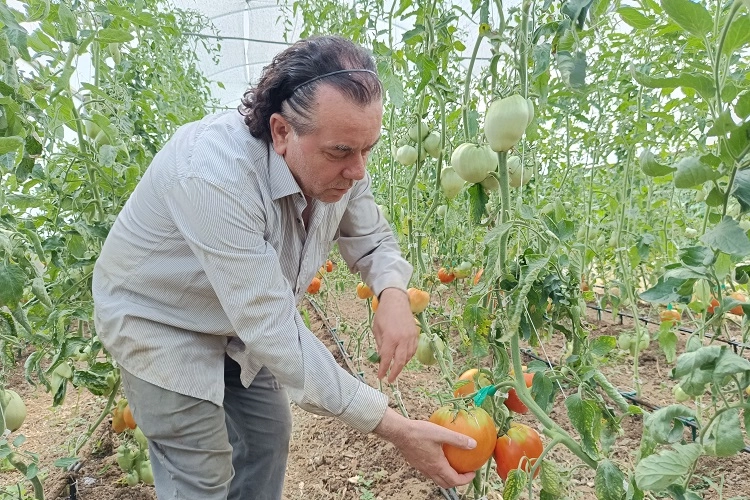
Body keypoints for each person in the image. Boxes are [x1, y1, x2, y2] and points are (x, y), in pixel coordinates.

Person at [92, 35, 476, 500]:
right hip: (160, 321)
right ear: (281, 131)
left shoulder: (345, 160)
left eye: (368, 149)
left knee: (266, 438)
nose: (358, 170)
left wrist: (392, 293)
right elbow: (271, 328)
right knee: (202, 472)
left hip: (238, 319)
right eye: (340, 152)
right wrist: (396, 428)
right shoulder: (214, 173)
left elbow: (371, 237)